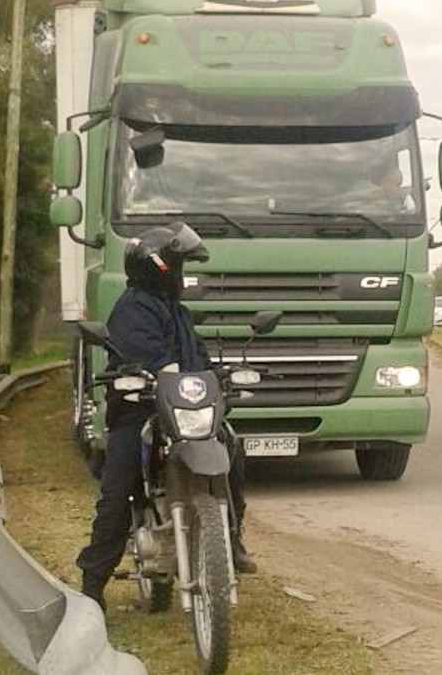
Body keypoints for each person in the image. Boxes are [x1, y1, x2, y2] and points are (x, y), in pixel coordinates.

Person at [77, 222, 256, 611]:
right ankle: (93, 582)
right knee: (117, 489)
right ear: (161, 267)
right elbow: (145, 358)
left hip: (187, 412)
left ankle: (230, 536)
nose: (183, 276)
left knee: (231, 447)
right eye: (180, 267)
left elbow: (200, 361)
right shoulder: (133, 308)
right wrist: (144, 375)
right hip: (140, 412)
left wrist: (220, 378)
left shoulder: (179, 313)